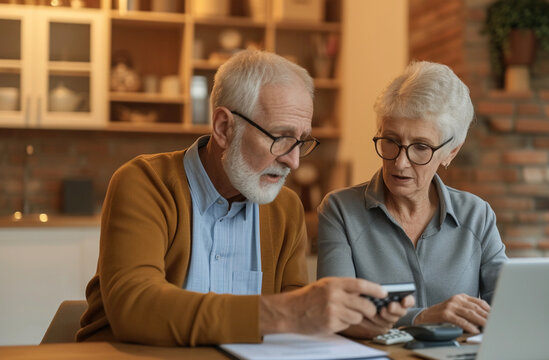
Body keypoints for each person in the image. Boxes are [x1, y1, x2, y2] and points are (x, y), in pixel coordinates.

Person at [77, 50, 413, 346]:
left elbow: (293, 327)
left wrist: (348, 323)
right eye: (280, 138)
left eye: (301, 141)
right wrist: (285, 312)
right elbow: (136, 307)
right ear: (224, 128)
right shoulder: (145, 183)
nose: (293, 161)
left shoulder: (285, 208)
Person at [316, 61, 508, 339]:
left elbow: (506, 307)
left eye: (420, 147)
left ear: (451, 153)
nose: (400, 162)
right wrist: (423, 317)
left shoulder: (477, 214)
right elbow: (335, 312)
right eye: (391, 141)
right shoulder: (340, 211)